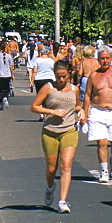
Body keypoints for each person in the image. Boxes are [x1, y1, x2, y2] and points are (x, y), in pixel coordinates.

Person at [29, 61, 78, 213]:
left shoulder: (75, 89)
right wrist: (53, 112)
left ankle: (63, 201)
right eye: (58, 77)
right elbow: (34, 107)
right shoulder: (48, 88)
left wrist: (81, 111)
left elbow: (78, 105)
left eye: (64, 77)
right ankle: (50, 188)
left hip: (69, 130)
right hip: (50, 131)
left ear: (69, 74)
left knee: (66, 165)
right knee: (51, 168)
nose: (61, 80)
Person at [82, 47, 112, 183]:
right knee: (102, 142)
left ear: (111, 58)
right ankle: (104, 171)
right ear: (98, 59)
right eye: (102, 58)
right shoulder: (94, 75)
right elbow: (87, 96)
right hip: (98, 111)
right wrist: (85, 115)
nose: (105, 61)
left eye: (107, 58)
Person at [0, 42, 14, 110]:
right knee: (6, 88)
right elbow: (11, 66)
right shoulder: (9, 56)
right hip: (7, 74)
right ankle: (5, 98)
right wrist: (12, 74)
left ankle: (0, 102)